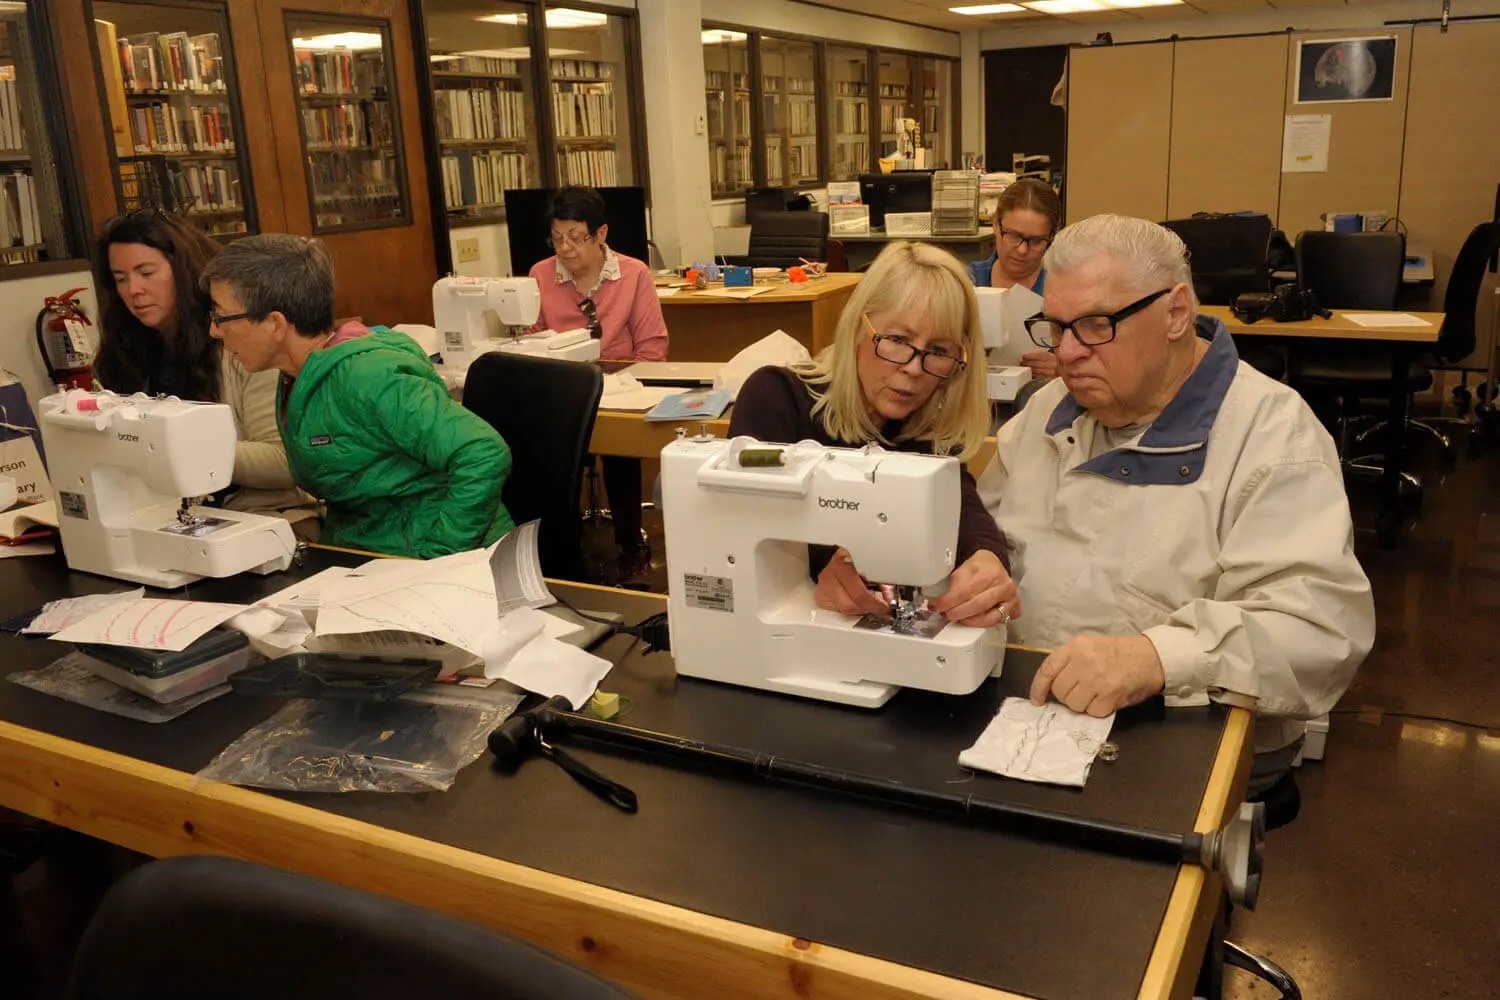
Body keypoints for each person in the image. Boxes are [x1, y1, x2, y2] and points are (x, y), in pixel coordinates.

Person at [978, 213, 1374, 796]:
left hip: (1181, 738)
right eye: (1055, 327)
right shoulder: (1047, 412)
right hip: (1030, 716)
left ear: (1176, 312)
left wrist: (1157, 658)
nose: (1065, 354)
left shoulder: (1273, 437)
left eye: (1093, 326)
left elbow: (1319, 631)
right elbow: (986, 532)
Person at [729, 240, 1015, 628]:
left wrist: (988, 558)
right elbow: (748, 538)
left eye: (938, 350)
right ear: (858, 328)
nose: (915, 368)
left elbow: (961, 507)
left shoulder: (922, 424)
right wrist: (823, 565)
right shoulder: (776, 400)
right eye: (897, 340)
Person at [201, 234, 512, 558]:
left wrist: (439, 556)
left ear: (275, 324)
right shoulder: (297, 378)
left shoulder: (369, 377)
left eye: (221, 317)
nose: (214, 330)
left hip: (448, 559)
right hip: (374, 552)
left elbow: (483, 452)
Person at [92, 210, 305, 518]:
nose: (133, 290)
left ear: (182, 269)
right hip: (159, 511)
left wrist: (177, 443)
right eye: (120, 279)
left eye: (147, 273)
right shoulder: (123, 351)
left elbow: (283, 462)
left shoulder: (245, 342)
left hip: (259, 513)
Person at [527, 186, 668, 583]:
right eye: (557, 238)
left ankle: (631, 544)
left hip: (622, 386)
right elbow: (531, 337)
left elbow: (653, 346)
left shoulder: (634, 273)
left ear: (601, 234)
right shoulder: (540, 274)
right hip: (562, 390)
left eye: (576, 237)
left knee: (620, 451)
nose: (566, 249)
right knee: (548, 451)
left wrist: (627, 385)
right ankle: (561, 545)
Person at [969, 178, 1063, 380]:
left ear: (1051, 237)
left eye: (1036, 241)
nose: (1022, 250)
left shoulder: (1064, 291)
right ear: (995, 224)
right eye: (1013, 235)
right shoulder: (967, 282)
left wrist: (1063, 369)